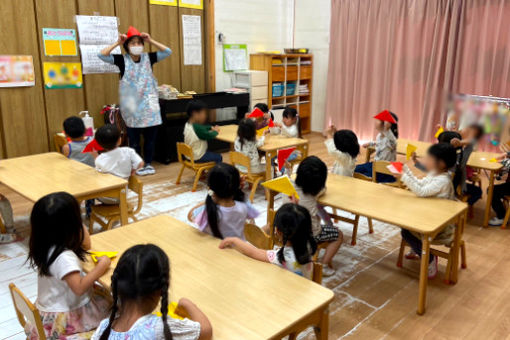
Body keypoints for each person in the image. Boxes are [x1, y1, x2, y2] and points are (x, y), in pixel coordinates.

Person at [26, 192, 111, 339]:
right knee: (114, 311)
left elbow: (86, 244)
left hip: (51, 305)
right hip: (65, 314)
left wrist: (77, 223)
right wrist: (101, 267)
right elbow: (79, 288)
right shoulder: (64, 257)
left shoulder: (44, 244)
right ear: (70, 225)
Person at [92, 244, 212, 340]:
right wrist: (187, 303)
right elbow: (206, 332)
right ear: (161, 289)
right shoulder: (157, 328)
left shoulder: (103, 328)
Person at [99, 26, 172, 176]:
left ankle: (149, 164)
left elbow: (168, 52)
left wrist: (150, 40)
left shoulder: (149, 58)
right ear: (127, 46)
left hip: (150, 106)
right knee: (134, 141)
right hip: (131, 106)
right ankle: (137, 165)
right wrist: (117, 43)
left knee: (150, 140)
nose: (137, 46)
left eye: (139, 43)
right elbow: (101, 55)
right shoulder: (122, 60)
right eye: (133, 43)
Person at [396, 143, 457, 279]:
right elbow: (420, 184)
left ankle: (429, 258)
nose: (426, 161)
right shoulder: (435, 174)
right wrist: (405, 170)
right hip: (429, 215)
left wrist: (403, 176)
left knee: (405, 231)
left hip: (440, 225)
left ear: (441, 164)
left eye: (430, 158)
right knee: (406, 224)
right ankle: (417, 248)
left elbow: (421, 191)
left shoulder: (443, 181)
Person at [219, 203, 317, 279]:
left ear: (277, 231)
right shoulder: (308, 245)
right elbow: (299, 222)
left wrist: (234, 240)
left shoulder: (284, 257)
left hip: (287, 298)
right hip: (304, 295)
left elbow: (255, 252)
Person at [287, 156, 343, 276]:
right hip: (310, 234)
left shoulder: (288, 186)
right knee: (339, 235)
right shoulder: (314, 193)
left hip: (288, 229)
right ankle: (322, 265)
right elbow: (324, 190)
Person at [194, 163, 259, 239]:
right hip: (239, 248)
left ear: (210, 188)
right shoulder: (243, 206)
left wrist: (209, 197)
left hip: (215, 248)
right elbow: (252, 217)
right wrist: (237, 189)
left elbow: (191, 215)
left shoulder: (208, 210)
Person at [62, 116, 96, 216]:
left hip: (75, 177)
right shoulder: (92, 141)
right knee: (91, 195)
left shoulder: (67, 147)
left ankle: (74, 213)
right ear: (85, 129)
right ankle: (90, 212)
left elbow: (66, 161)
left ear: (66, 133)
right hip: (92, 175)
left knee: (77, 197)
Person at [355, 110, 398, 182]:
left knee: (367, 176)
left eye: (377, 120)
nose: (375, 122)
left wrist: (387, 130)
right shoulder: (379, 136)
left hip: (385, 169)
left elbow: (393, 143)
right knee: (355, 169)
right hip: (375, 164)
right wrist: (370, 143)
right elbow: (378, 143)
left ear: (385, 124)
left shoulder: (390, 138)